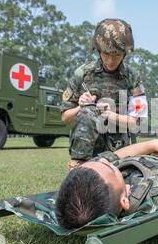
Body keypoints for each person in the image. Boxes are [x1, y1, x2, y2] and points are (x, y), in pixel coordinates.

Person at [61, 19, 147, 171]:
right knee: (87, 111)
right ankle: (78, 167)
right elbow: (65, 117)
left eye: (117, 55)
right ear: (98, 49)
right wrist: (81, 107)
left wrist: (111, 115)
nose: (111, 60)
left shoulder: (133, 77)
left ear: (125, 53)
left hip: (120, 151)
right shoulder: (83, 74)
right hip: (87, 153)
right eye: (106, 54)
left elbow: (136, 123)